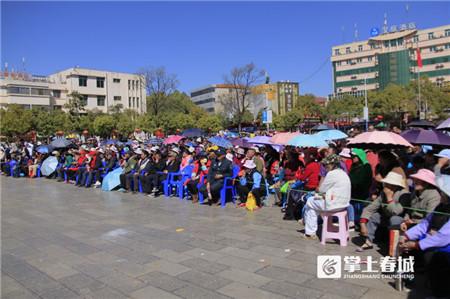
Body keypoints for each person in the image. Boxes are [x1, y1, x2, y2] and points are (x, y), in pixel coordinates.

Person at [400, 173, 450, 298]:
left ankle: (441, 293)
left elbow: (443, 237)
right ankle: (410, 279)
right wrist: (407, 236)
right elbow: (425, 223)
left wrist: (417, 244)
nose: (440, 194)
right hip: (434, 238)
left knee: (435, 257)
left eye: (442, 193)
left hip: (445, 245)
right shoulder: (441, 206)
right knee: (407, 249)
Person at [302, 154, 351, 240]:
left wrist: (319, 191)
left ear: (332, 165)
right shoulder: (343, 173)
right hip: (344, 204)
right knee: (313, 204)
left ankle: (309, 232)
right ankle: (310, 226)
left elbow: (322, 189)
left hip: (334, 205)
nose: (325, 168)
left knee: (310, 202)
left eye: (326, 166)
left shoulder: (332, 174)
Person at [358, 171, 411, 251]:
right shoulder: (383, 193)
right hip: (386, 217)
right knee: (374, 216)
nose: (385, 185)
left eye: (388, 183)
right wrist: (362, 223)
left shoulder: (404, 194)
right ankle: (368, 241)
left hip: (401, 220)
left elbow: (396, 211)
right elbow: (371, 208)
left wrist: (389, 198)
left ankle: (394, 246)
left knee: (394, 219)